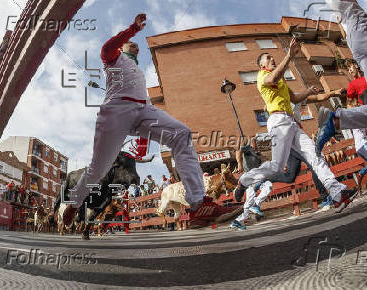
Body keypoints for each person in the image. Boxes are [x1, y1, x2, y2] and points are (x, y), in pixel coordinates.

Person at [63, 14, 224, 226]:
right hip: (116, 110)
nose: (136, 46)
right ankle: (74, 204)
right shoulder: (111, 57)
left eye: (137, 45)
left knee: (181, 134)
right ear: (122, 47)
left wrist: (146, 136)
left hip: (143, 110)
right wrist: (133, 29)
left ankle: (198, 205)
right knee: (99, 168)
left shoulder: (138, 70)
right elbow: (107, 47)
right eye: (132, 44)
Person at [234, 38, 356, 215]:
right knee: (276, 166)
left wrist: (308, 91)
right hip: (278, 122)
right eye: (268, 58)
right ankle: (244, 181)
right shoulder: (262, 77)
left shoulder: (282, 81)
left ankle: (338, 193)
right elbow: (273, 77)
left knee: (315, 155)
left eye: (272, 57)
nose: (272, 59)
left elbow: (295, 99)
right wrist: (290, 55)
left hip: (292, 123)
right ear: (262, 66)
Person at [316, 0, 367, 150]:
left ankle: (337, 120)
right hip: (359, 27)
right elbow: (350, 102)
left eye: (351, 69)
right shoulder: (353, 85)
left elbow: (344, 33)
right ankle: (337, 119)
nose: (350, 71)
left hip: (354, 37)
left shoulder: (338, 11)